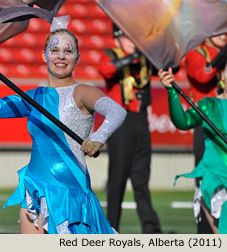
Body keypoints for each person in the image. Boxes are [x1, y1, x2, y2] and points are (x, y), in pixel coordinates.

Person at [0, 17, 127, 234]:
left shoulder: (83, 91)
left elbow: (117, 111)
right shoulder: (34, 97)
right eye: (54, 50)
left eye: (69, 51)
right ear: (44, 55)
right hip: (35, 191)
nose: (61, 56)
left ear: (78, 57)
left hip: (70, 194)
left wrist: (97, 138)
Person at [97, 24, 162, 233]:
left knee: (141, 177)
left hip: (141, 119)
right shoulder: (110, 55)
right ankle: (111, 227)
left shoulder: (143, 58)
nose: (131, 43)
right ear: (116, 39)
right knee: (118, 177)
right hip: (121, 122)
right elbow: (105, 69)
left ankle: (151, 228)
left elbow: (167, 67)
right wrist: (128, 59)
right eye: (127, 38)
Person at [159, 67, 227, 234]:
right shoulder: (209, 106)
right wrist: (171, 92)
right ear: (223, 77)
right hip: (215, 180)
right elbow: (182, 122)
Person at [185, 34, 227, 233]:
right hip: (206, 126)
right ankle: (205, 233)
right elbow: (204, 74)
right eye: (218, 31)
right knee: (205, 180)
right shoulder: (196, 54)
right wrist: (223, 55)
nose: (223, 35)